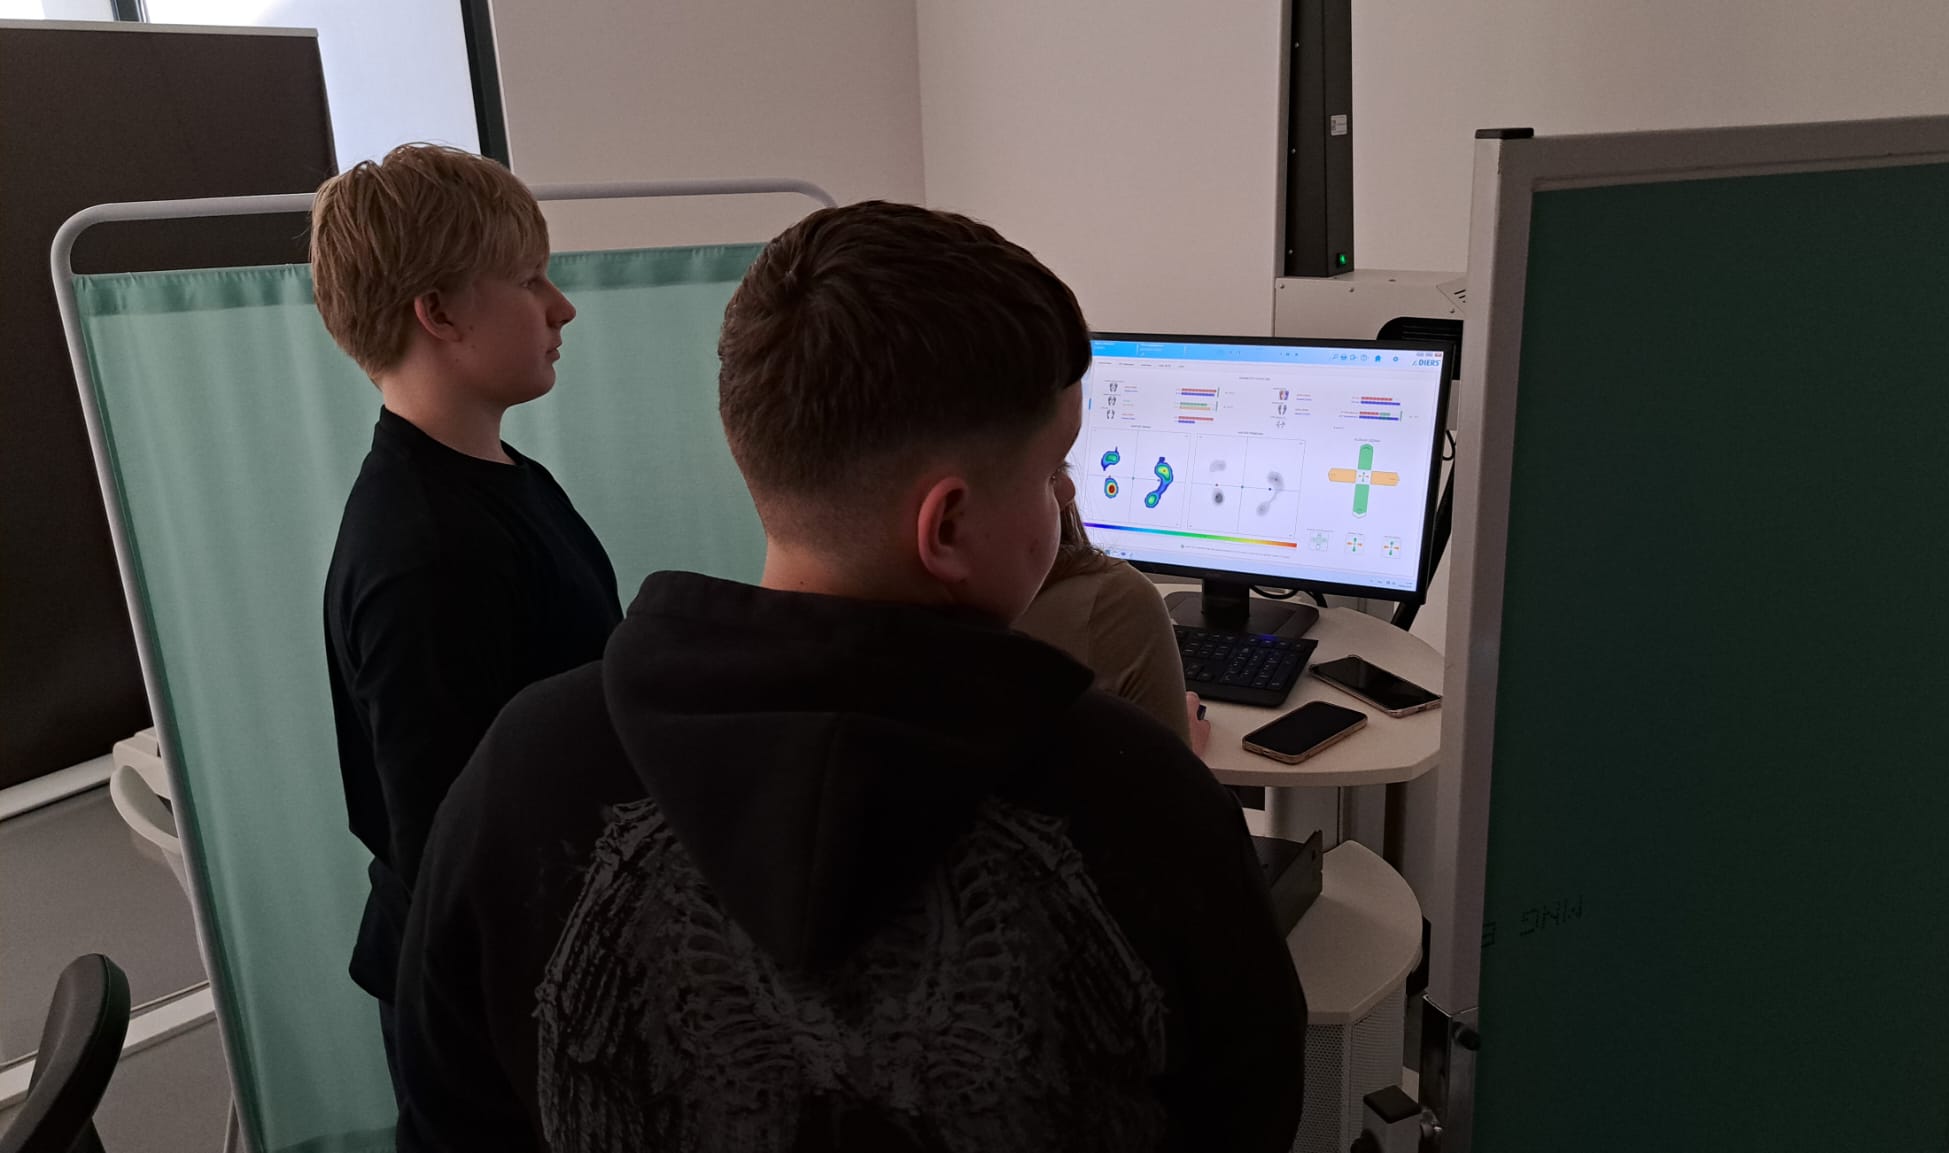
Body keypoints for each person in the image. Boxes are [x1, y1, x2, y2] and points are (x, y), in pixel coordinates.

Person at [394, 201, 1306, 1153]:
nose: (1066, 501)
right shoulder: (1145, 800)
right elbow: (1247, 1113)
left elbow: (450, 1117)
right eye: (1052, 471)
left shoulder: (519, 774)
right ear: (946, 527)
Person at [313, 144, 623, 1094]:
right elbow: (456, 847)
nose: (561, 305)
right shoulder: (427, 552)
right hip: (489, 1001)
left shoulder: (500, 481)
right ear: (438, 312)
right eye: (530, 280)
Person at [1015, 484, 1211, 755]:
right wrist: (1186, 754)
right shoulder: (1115, 599)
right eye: (1052, 471)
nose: (1070, 489)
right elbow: (1169, 795)